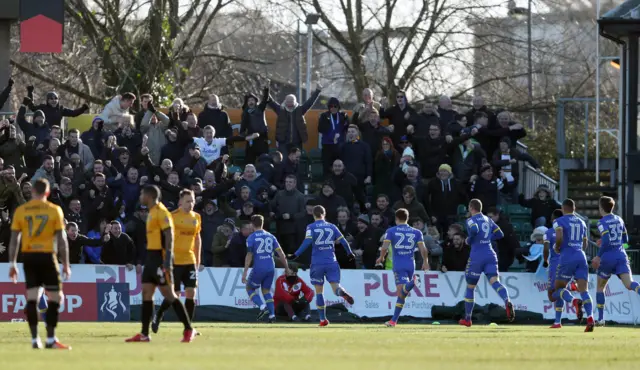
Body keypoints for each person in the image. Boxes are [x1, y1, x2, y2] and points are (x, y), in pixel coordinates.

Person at [125, 185, 195, 343]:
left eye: (142, 193)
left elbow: (169, 235)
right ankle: (144, 334)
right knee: (146, 293)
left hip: (159, 258)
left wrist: (168, 260)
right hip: (150, 258)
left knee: (169, 294)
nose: (140, 195)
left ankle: (188, 329)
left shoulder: (162, 212)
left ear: (149, 196)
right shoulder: (151, 212)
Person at [8, 178, 70, 349]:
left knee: (32, 299)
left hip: (28, 257)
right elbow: (62, 239)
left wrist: (12, 263)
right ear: (48, 193)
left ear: (32, 191)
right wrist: (65, 263)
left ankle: (35, 340)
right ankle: (50, 339)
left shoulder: (21, 211)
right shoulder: (54, 210)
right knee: (56, 298)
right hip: (47, 256)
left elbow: (14, 239)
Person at [290, 205, 356, 327]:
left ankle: (322, 319)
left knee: (319, 292)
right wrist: (350, 253)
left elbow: (308, 241)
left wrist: (296, 254)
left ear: (313, 215)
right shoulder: (332, 226)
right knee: (335, 287)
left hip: (317, 263)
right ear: (324, 214)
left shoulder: (311, 227)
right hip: (331, 261)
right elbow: (343, 241)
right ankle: (341, 292)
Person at [152, 189, 202, 333]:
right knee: (175, 295)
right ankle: (159, 315)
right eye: (187, 201)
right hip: (174, 261)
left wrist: (197, 259)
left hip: (189, 259)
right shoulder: (172, 217)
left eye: (192, 201)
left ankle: (188, 327)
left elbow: (197, 239)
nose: (190, 204)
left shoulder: (197, 217)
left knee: (191, 292)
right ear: (180, 202)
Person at [459, 198, 514, 327]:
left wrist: (470, 240)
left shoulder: (471, 220)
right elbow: (500, 234)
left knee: (470, 287)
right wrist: (488, 238)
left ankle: (467, 319)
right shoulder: (488, 220)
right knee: (495, 282)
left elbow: (473, 229)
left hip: (477, 256)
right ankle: (507, 300)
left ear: (471, 208)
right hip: (490, 254)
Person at [375, 209, 429, 327]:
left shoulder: (391, 231)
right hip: (411, 264)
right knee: (402, 294)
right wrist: (425, 262)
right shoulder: (417, 232)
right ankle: (394, 321)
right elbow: (423, 249)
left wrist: (381, 257)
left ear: (396, 218)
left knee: (401, 292)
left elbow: (384, 247)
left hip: (399, 264)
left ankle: (413, 282)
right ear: (407, 218)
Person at [592, 196, 638, 327]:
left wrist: (598, 256)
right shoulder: (619, 219)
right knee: (630, 284)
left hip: (607, 257)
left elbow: (606, 238)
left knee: (601, 288)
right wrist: (615, 242)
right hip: (621, 255)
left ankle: (601, 319)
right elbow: (625, 239)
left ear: (601, 207)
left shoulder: (601, 222)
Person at [551, 198, 593, 332]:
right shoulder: (582, 222)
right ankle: (591, 318)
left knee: (558, 290)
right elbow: (585, 242)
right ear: (574, 209)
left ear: (563, 209)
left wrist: (557, 247)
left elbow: (559, 236)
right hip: (581, 256)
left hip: (567, 257)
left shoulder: (559, 221)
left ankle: (574, 302)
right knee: (584, 291)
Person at [242, 215, 290, 323]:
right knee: (266, 291)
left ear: (252, 224)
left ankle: (263, 307)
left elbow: (249, 255)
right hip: (270, 267)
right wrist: (286, 267)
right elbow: (281, 253)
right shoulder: (271, 236)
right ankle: (272, 316)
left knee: (249, 288)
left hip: (259, 266)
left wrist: (245, 272)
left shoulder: (251, 237)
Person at [543, 209, 580, 328]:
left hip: (554, 264)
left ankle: (573, 301)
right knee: (561, 290)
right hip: (567, 262)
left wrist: (545, 260)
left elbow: (545, 249)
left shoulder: (548, 232)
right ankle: (557, 322)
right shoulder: (567, 233)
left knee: (552, 295)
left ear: (554, 219)